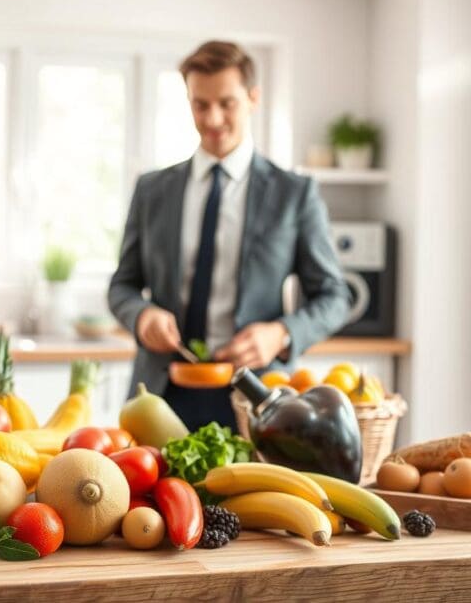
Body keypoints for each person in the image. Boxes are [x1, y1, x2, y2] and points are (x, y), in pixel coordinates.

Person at [108, 40, 350, 433]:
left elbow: (335, 296)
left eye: (227, 103)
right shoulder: (152, 190)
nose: (213, 118)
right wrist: (141, 315)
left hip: (259, 397)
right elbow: (123, 285)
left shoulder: (294, 193)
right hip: (161, 394)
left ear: (253, 98)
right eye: (200, 105)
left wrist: (281, 334)